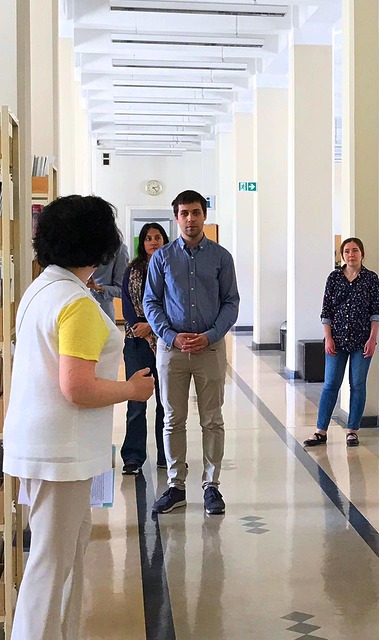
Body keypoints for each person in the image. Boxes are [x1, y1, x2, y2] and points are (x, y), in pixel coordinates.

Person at [4, 195, 155, 640]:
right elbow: (78, 386)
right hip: (60, 452)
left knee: (64, 557)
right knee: (50, 564)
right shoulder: (76, 304)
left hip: (45, 445)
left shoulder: (41, 289)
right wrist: (132, 389)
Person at [144, 190, 239, 516]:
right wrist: (170, 335)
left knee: (212, 420)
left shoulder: (221, 257)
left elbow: (231, 302)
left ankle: (212, 487)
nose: (190, 219)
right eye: (184, 213)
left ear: (204, 215)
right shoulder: (162, 258)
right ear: (176, 218)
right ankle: (176, 486)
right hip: (172, 352)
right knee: (173, 420)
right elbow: (151, 302)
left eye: (196, 212)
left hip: (210, 350)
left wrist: (211, 335)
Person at [303, 237, 379, 448]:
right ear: (341, 255)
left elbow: (376, 312)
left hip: (362, 340)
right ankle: (321, 430)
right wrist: (327, 337)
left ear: (362, 254)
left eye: (355, 250)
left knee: (357, 385)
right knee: (330, 385)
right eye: (346, 251)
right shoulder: (334, 277)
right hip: (336, 340)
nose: (351, 254)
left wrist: (373, 338)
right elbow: (326, 311)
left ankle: (352, 430)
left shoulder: (371, 279)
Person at [120, 222, 170, 475]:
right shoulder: (132, 270)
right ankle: (133, 456)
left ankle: (166, 454)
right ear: (143, 242)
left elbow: (174, 303)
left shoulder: (172, 267)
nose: (153, 242)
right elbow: (127, 302)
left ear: (164, 240)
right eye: (148, 238)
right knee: (136, 401)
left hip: (165, 340)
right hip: (136, 341)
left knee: (166, 402)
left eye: (157, 237)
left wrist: (151, 325)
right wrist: (138, 325)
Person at [87, 240, 128, 321]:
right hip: (74, 307)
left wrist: (99, 288)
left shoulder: (119, 249)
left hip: (103, 311)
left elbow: (122, 291)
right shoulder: (78, 245)